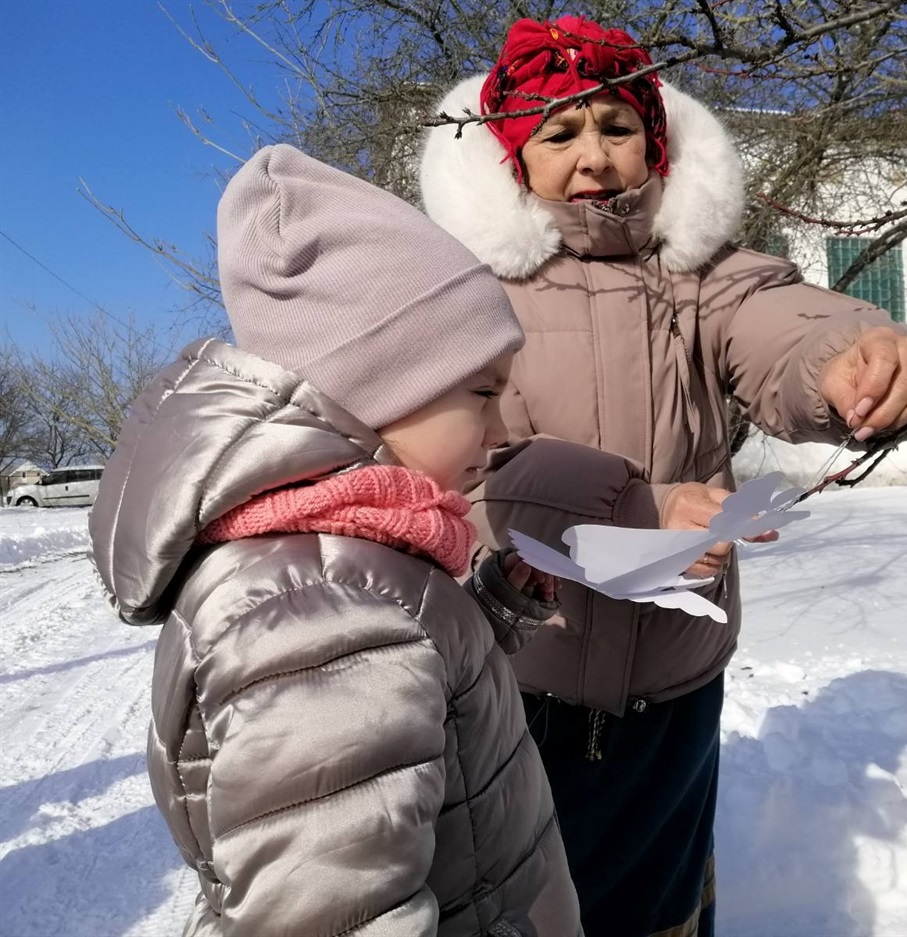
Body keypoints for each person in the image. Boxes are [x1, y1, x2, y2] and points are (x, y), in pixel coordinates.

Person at [420, 16, 907, 937]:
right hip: (520, 677)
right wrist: (632, 510)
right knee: (521, 905)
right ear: (511, 157)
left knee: (660, 902)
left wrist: (846, 354)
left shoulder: (701, 276)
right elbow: (464, 479)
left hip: (675, 683)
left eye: (617, 127)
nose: (595, 157)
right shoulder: (468, 301)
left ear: (656, 144)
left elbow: (776, 321)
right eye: (559, 132)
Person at [88, 144, 581, 936]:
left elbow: (403, 695)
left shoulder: (342, 566)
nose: (499, 429)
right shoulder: (318, 609)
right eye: (483, 392)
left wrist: (493, 607)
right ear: (377, 383)